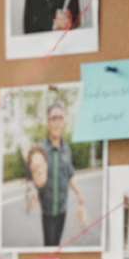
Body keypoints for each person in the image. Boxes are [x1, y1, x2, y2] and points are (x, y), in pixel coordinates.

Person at [23, 103, 87, 248]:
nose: (57, 122)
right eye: (53, 118)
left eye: (60, 118)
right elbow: (30, 172)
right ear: (48, 122)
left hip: (62, 209)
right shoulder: (41, 149)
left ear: (63, 122)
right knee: (49, 245)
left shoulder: (67, 150)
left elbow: (70, 175)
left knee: (56, 244)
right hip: (47, 210)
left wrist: (80, 194)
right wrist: (31, 191)